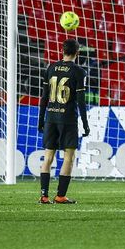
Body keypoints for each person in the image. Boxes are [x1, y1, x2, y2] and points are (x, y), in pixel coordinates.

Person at [37, 39, 90, 204]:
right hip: (67, 118)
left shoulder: (51, 68)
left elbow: (44, 97)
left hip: (51, 117)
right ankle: (60, 196)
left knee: (48, 156)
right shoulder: (79, 72)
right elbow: (81, 101)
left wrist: (41, 120)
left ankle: (44, 196)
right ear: (77, 52)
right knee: (69, 156)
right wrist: (85, 123)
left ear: (62, 50)